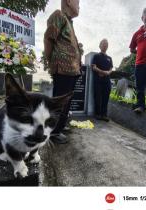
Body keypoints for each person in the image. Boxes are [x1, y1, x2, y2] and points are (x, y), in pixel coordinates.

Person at [44, 0, 82, 144]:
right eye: (77, 2)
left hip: (72, 70)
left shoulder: (69, 22)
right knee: (60, 102)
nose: (79, 5)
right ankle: (53, 132)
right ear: (68, 1)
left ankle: (59, 126)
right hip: (63, 69)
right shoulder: (58, 15)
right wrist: (51, 61)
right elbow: (48, 39)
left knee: (66, 102)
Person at [92, 39, 113, 122]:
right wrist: (102, 72)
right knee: (97, 96)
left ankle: (104, 115)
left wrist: (107, 72)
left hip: (107, 80)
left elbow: (111, 68)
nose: (105, 45)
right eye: (103, 43)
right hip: (98, 80)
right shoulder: (96, 56)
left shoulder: (109, 58)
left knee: (106, 97)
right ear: (100, 45)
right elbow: (93, 67)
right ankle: (97, 114)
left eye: (106, 44)